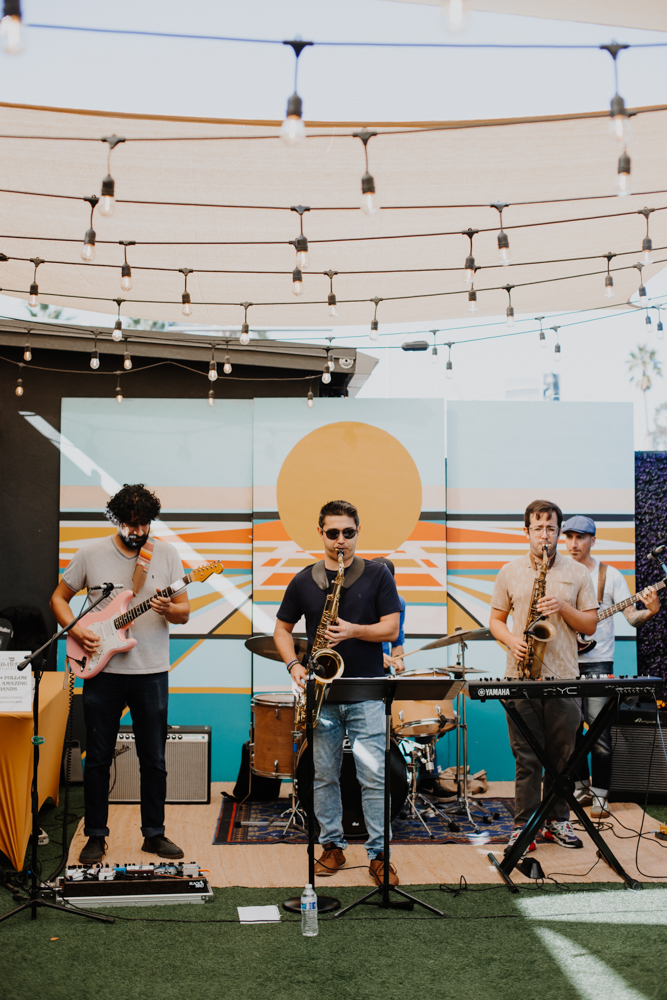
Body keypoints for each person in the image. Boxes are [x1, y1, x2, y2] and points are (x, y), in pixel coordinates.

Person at [50, 484, 190, 863]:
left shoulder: (166, 554)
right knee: (96, 757)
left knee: (154, 758)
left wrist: (165, 609)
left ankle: (154, 834)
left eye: (143, 524)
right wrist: (76, 630)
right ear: (116, 520)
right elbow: (58, 599)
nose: (137, 531)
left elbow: (184, 612)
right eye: (130, 524)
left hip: (151, 671)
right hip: (102, 671)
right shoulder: (91, 553)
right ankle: (95, 835)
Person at [273, 500, 402, 886]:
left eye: (348, 532)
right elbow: (281, 630)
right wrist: (294, 666)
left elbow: (392, 629)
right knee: (323, 776)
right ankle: (331, 846)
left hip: (366, 693)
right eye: (333, 533)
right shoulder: (303, 580)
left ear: (357, 531)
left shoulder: (378, 575)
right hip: (321, 695)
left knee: (374, 778)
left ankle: (380, 855)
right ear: (321, 534)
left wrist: (353, 631)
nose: (340, 540)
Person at [489, 499, 598, 855]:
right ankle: (524, 826)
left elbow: (591, 624)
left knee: (562, 757)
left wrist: (563, 607)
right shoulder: (509, 571)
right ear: (527, 532)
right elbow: (496, 621)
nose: (545, 536)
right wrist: (511, 641)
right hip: (520, 676)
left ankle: (557, 820)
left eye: (551, 528)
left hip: (564, 675)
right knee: (527, 758)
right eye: (538, 529)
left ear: (558, 532)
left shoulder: (579, 573)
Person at [563, 515, 660, 818]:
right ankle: (579, 787)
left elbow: (630, 617)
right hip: (565, 663)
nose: (573, 543)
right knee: (570, 731)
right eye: (569, 537)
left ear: (593, 540)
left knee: (599, 732)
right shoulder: (561, 573)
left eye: (580, 537)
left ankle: (601, 794)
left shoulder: (610, 576)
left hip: (598, 664)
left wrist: (651, 611)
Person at [373, 557, 406, 674]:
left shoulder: (399, 601)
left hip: (384, 670)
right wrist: (374, 657)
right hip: (359, 668)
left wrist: (398, 659)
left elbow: (397, 643)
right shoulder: (356, 600)